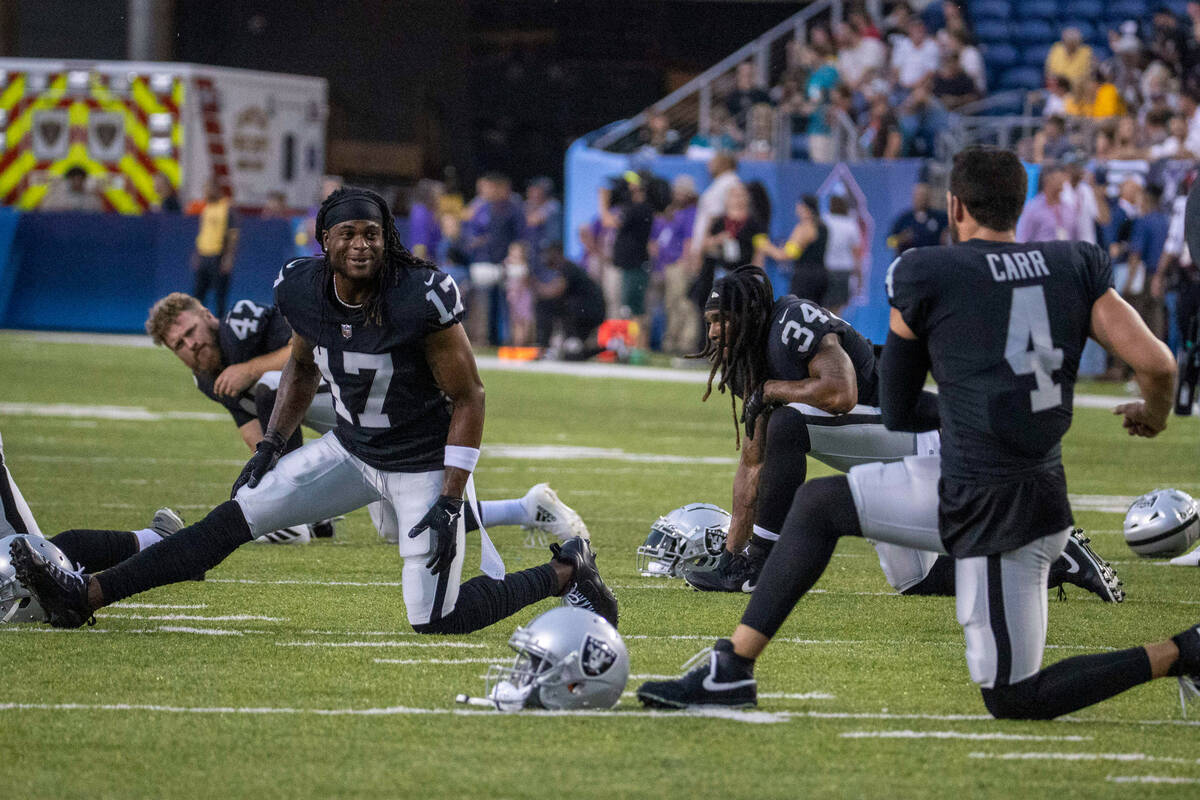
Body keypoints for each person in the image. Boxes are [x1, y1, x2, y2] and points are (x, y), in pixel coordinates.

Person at [635, 147, 1193, 720]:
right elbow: (1159, 366)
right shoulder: (1076, 262)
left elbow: (896, 406)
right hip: (1039, 499)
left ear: (954, 206)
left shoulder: (924, 271)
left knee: (819, 505)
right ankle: (1183, 650)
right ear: (1021, 205)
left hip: (972, 484)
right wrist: (1153, 413)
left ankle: (730, 670)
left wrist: (960, 411)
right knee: (1011, 695)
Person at [10, 187, 618, 635]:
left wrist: (452, 497)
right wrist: (273, 446)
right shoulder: (301, 288)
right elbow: (300, 365)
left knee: (438, 618)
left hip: (419, 465)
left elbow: (470, 397)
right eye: (348, 234)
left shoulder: (419, 298)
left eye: (372, 234)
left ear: (387, 240)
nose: (360, 244)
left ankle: (567, 572)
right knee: (228, 522)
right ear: (325, 240)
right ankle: (85, 594)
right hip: (351, 450)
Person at [679, 266, 1120, 605]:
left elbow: (841, 392)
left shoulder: (791, 323)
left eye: (723, 319)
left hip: (931, 435)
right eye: (711, 320)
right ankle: (1054, 564)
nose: (714, 331)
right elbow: (753, 465)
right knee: (917, 580)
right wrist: (729, 558)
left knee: (788, 423)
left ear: (753, 313)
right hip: (882, 449)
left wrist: (773, 389)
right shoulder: (747, 364)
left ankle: (762, 564)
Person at [143, 291, 589, 546]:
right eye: (178, 345)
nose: (190, 346)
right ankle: (528, 509)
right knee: (404, 528)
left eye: (191, 332)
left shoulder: (241, 326)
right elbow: (257, 436)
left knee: (272, 385)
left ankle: (291, 520)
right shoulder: (209, 377)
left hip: (382, 402)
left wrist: (252, 367)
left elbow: (300, 360)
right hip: (357, 430)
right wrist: (277, 491)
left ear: (208, 316)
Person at [534, 242, 606, 357]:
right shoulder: (566, 268)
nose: (546, 258)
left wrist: (535, 287)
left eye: (549, 254)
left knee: (544, 304)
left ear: (557, 254)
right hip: (586, 310)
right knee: (574, 353)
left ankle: (544, 346)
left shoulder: (567, 267)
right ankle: (562, 346)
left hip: (588, 311)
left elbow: (557, 290)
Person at [189, 181, 240, 318]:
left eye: (207, 190)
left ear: (216, 189)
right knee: (198, 294)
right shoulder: (207, 208)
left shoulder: (226, 207)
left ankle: (219, 326)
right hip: (204, 254)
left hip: (218, 255)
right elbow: (203, 233)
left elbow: (233, 234)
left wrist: (229, 257)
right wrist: (197, 253)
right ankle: (196, 323)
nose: (205, 194)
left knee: (219, 295)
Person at [821, 195, 863, 314]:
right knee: (837, 310)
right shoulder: (850, 225)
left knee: (824, 308)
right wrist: (860, 278)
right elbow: (856, 254)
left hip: (826, 268)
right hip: (844, 271)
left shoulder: (824, 221)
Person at [1016, 166, 1078, 243]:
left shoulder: (1068, 207)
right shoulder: (1033, 208)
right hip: (1041, 252)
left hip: (1066, 253)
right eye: (1058, 178)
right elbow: (1022, 237)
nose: (1063, 181)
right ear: (1047, 179)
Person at [887, 182, 948, 257]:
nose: (920, 198)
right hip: (909, 261)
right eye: (918, 195)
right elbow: (889, 243)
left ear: (929, 197)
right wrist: (900, 239)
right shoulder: (904, 219)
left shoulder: (939, 217)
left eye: (923, 195)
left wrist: (946, 234)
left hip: (933, 260)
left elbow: (951, 229)